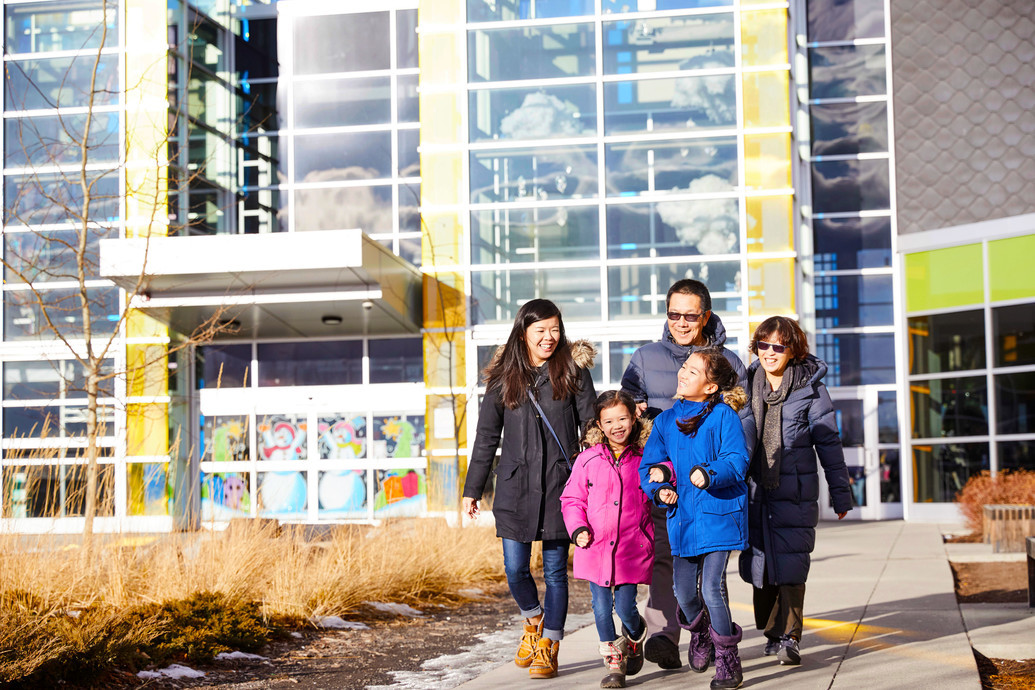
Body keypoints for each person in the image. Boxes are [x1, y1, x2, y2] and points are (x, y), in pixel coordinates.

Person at [462, 298, 597, 680]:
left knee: (555, 572)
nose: (549, 337)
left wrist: (591, 472)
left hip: (560, 485)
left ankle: (549, 646)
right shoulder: (503, 376)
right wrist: (473, 488)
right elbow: (487, 436)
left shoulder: (573, 372)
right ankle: (533, 621)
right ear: (524, 332)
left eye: (555, 329)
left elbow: (590, 426)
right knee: (515, 568)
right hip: (514, 488)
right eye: (541, 330)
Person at [620, 278, 746, 669]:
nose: (680, 322)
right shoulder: (645, 358)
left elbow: (743, 430)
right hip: (669, 489)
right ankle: (665, 636)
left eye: (689, 315)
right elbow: (627, 409)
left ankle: (721, 650)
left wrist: (720, 474)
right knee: (671, 565)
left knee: (712, 580)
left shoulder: (728, 364)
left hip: (712, 489)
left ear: (705, 316)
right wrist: (655, 475)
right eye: (673, 313)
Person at [738, 316, 852, 666]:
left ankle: (791, 636)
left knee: (791, 566)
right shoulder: (744, 383)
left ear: (792, 349)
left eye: (778, 345)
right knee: (761, 566)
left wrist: (841, 493)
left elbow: (828, 442)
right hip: (754, 491)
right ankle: (772, 633)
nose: (769, 352)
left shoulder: (810, 387)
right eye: (763, 344)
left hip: (795, 489)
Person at [639, 349, 750, 690]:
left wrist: (709, 472)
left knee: (712, 590)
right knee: (684, 593)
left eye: (693, 370)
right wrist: (659, 489)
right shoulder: (665, 421)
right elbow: (650, 467)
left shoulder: (723, 417)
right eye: (684, 367)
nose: (683, 373)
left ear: (712, 385)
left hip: (718, 516)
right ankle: (699, 633)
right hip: (683, 518)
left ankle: (729, 661)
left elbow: (737, 459)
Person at [560, 390, 653, 689]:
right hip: (595, 546)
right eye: (609, 420)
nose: (617, 426)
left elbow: (660, 492)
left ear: (634, 417)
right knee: (600, 608)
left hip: (630, 546)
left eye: (622, 418)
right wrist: (578, 529)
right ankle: (614, 663)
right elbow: (572, 499)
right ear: (599, 425)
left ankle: (635, 636)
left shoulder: (645, 458)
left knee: (626, 608)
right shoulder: (587, 460)